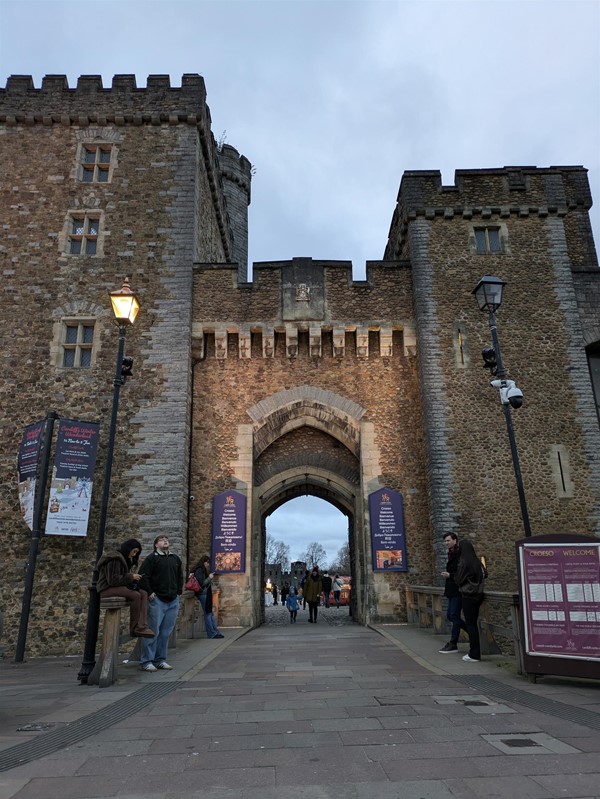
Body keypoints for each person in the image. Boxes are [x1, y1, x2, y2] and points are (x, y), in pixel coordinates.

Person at [138, 535, 183, 672]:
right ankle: (147, 661)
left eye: (167, 539)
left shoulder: (175, 558)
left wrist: (179, 591)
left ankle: (160, 659)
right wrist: (150, 591)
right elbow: (143, 576)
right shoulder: (152, 558)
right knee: (153, 631)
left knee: (166, 632)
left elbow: (180, 575)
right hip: (158, 599)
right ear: (156, 544)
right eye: (162, 539)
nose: (165, 541)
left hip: (173, 599)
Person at [96, 538, 155, 638]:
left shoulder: (123, 559)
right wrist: (131, 577)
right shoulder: (115, 558)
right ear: (129, 548)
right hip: (106, 588)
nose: (135, 554)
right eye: (134, 551)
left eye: (137, 552)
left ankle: (142, 626)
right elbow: (113, 580)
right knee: (135, 595)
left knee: (143, 593)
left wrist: (133, 578)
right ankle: (135, 628)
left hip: (117, 587)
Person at [454, 539, 485, 662]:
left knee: (470, 624)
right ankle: (475, 652)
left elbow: (458, 579)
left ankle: (474, 653)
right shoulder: (477, 562)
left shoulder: (463, 562)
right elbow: (485, 574)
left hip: (468, 595)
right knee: (473, 624)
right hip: (478, 595)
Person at [438, 532, 469, 653]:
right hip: (451, 589)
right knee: (450, 616)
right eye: (445, 541)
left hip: (458, 589)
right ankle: (472, 632)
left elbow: (463, 572)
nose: (446, 543)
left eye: (448, 540)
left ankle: (453, 643)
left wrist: (450, 575)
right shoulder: (451, 553)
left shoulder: (459, 553)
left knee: (454, 616)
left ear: (455, 540)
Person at [192, 555, 224, 639]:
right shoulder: (199, 570)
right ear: (204, 562)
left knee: (210, 613)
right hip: (203, 594)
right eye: (207, 563)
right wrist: (209, 578)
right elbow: (202, 583)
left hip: (206, 594)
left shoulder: (202, 570)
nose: (208, 565)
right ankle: (212, 633)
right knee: (208, 614)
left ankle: (215, 632)